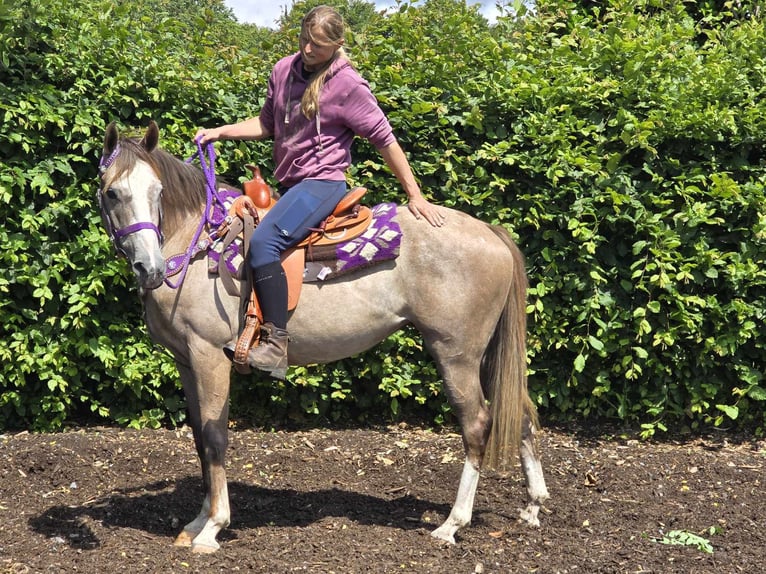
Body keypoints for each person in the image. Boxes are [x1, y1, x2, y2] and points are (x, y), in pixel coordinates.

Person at [194, 4, 444, 379]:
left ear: (338, 44)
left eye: (320, 46)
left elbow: (384, 139)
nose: (309, 50)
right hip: (291, 185)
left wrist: (415, 194)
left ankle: (276, 344)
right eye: (305, 41)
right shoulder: (283, 69)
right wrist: (220, 131)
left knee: (264, 245)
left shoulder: (348, 85)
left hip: (323, 183)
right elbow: (267, 124)